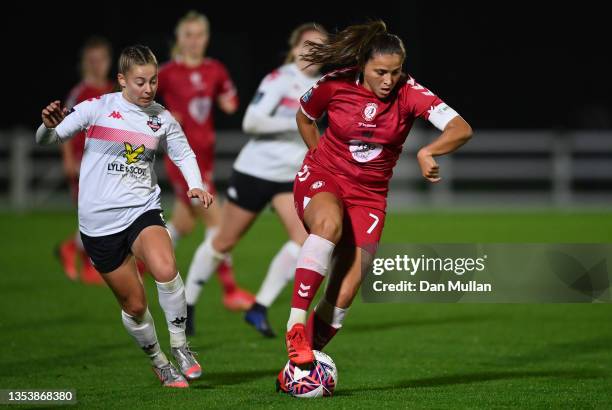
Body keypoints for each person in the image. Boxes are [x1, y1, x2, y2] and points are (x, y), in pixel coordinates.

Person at [279, 20, 473, 373]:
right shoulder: (335, 83)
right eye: (380, 72)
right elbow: (305, 117)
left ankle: (298, 370)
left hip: (368, 196)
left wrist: (430, 151)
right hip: (324, 178)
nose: (388, 80)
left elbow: (461, 128)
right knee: (328, 223)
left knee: (346, 290)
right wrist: (319, 158)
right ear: (362, 65)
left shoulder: (410, 92)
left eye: (395, 72)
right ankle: (294, 326)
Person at [36, 45, 212, 388]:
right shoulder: (98, 107)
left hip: (141, 210)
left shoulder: (161, 118)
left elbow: (184, 152)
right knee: (134, 306)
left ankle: (181, 347)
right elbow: (50, 137)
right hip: (98, 225)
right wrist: (46, 127)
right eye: (140, 82)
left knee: (165, 267)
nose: (148, 89)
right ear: (122, 80)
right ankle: (159, 362)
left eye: (153, 81)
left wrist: (195, 184)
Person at [179, 23, 327, 338]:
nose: (312, 52)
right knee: (224, 241)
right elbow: (251, 121)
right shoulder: (281, 79)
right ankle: (187, 303)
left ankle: (259, 308)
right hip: (254, 173)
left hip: (289, 178)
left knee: (304, 240)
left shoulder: (325, 85)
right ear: (295, 47)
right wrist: (296, 122)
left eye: (320, 47)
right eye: (307, 45)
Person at [157, 11, 255, 317]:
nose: (194, 40)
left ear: (207, 38)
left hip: (206, 157)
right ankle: (230, 290)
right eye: (189, 34)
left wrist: (229, 101)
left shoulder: (215, 69)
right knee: (220, 223)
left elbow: (230, 99)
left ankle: (142, 258)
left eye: (199, 34)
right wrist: (163, 115)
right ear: (179, 39)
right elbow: (139, 102)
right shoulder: (167, 72)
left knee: (184, 223)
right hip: (182, 160)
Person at [57, 37, 115, 284]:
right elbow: (63, 126)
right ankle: (89, 263)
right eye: (91, 60)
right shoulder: (80, 92)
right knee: (97, 215)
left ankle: (73, 250)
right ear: (84, 63)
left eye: (100, 59)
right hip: (86, 164)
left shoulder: (114, 90)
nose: (96, 65)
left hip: (109, 164)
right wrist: (68, 159)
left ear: (108, 61)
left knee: (105, 214)